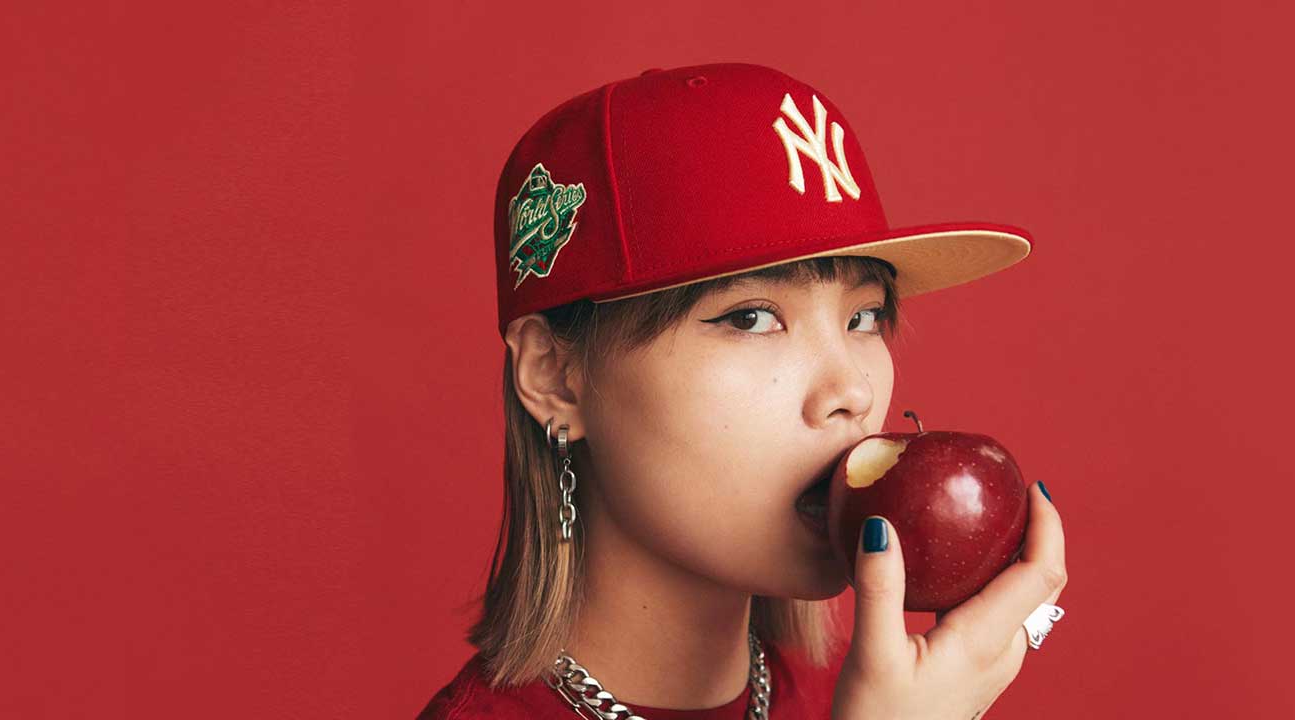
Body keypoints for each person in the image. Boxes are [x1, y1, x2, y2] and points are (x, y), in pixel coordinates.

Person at [417, 62, 1069, 720]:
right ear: (553, 377)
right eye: (751, 317)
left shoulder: (874, 698)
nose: (851, 392)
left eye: (863, 317)